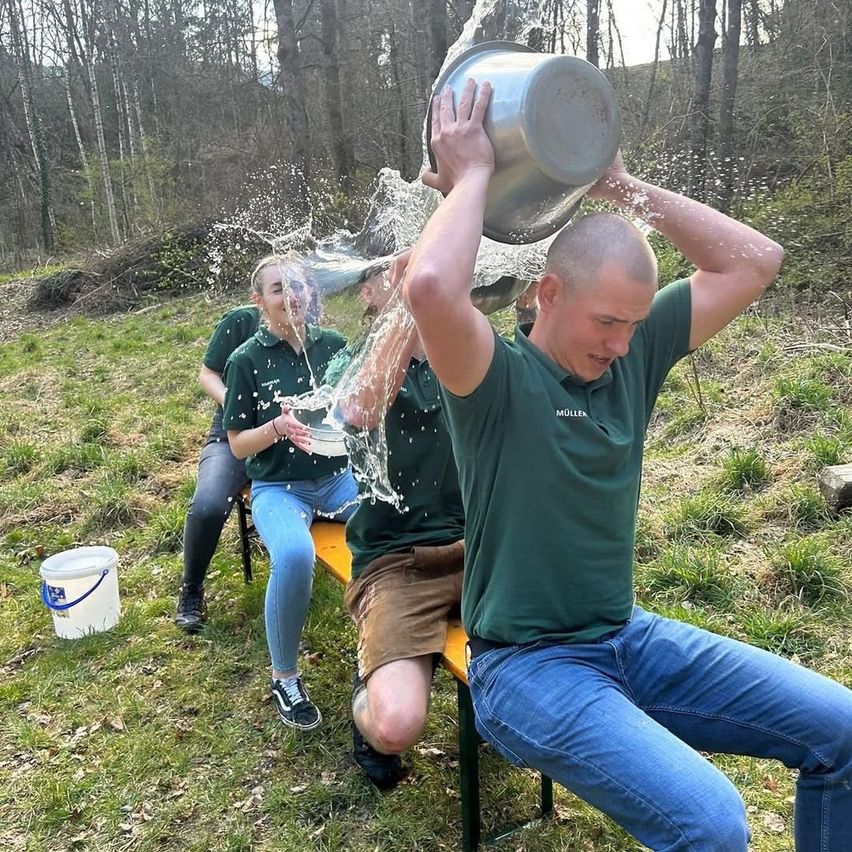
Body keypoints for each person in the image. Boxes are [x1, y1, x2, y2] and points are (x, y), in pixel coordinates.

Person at [401, 78, 852, 850]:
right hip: (527, 671)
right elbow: (433, 286)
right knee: (712, 822)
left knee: (841, 733)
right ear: (547, 293)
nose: (620, 345)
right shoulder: (494, 381)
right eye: (607, 321)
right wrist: (473, 174)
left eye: (633, 325)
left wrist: (619, 186)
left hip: (624, 639)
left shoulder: (631, 358)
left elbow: (756, 260)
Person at [337, 251, 465, 789]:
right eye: (394, 273)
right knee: (395, 724)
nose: (420, 281)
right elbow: (361, 410)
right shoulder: (349, 361)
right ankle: (365, 704)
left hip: (482, 548)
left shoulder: (467, 352)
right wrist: (415, 298)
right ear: (369, 293)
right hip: (396, 563)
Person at [223, 253, 357, 731]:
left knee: (390, 528)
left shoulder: (335, 346)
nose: (291, 296)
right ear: (259, 302)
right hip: (279, 488)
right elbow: (239, 444)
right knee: (296, 556)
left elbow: (356, 407)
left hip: (339, 479)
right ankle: (285, 676)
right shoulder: (246, 360)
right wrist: (278, 426)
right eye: (278, 289)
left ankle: (381, 658)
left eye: (298, 286)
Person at [175, 302, 259, 633]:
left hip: (290, 439)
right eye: (279, 286)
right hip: (230, 437)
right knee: (208, 506)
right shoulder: (242, 320)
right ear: (258, 296)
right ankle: (191, 589)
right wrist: (235, 404)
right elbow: (207, 374)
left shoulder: (310, 323)